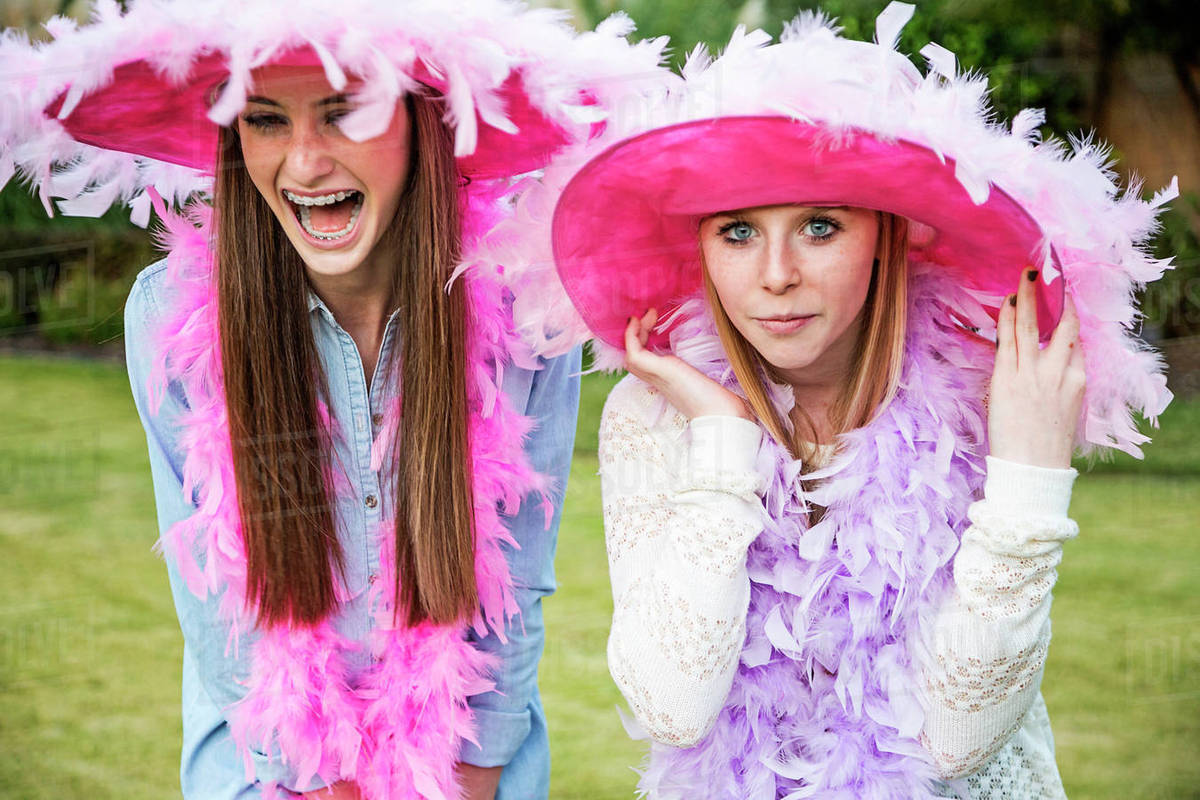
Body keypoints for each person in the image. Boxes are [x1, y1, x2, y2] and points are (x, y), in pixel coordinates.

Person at [507, 4, 1177, 798]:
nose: (777, 274)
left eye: (820, 226)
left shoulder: (974, 401)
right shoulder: (656, 418)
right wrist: (725, 446)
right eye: (737, 231)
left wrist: (1027, 485)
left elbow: (956, 742)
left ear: (892, 232)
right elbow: (672, 709)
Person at [0, 2, 666, 798]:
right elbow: (222, 609)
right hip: (268, 772)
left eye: (345, 111)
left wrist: (478, 776)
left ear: (427, 121)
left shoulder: (519, 315)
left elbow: (517, 583)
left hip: (468, 772)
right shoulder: (172, 320)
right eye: (266, 119)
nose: (305, 162)